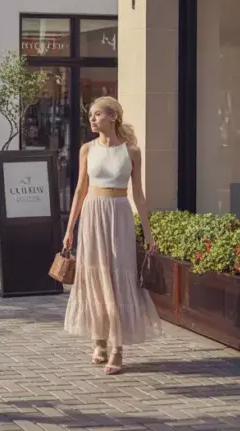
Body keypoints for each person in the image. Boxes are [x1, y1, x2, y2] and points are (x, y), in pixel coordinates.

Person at [63, 96, 161, 376]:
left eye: (96, 115)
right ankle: (99, 340)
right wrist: (70, 229)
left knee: (118, 277)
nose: (92, 120)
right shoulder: (87, 149)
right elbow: (80, 191)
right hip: (92, 214)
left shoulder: (132, 151)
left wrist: (148, 232)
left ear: (113, 116)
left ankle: (117, 347)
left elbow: (138, 195)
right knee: (94, 277)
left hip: (118, 214)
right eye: (91, 115)